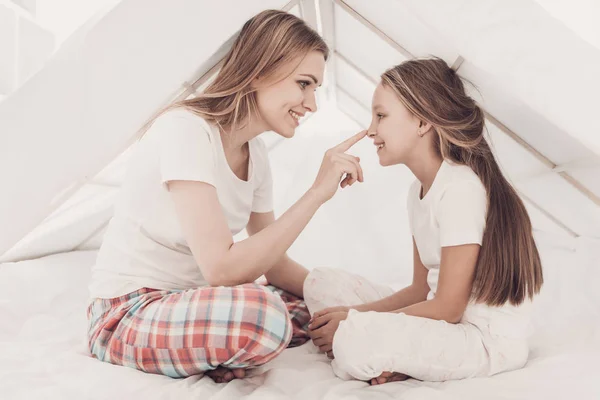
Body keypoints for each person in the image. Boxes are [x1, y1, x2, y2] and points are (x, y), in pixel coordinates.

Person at [87, 9, 367, 383]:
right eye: (304, 84)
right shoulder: (186, 131)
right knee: (265, 316)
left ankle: (223, 353)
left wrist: (354, 306)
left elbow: (276, 266)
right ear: (261, 71)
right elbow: (221, 269)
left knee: (313, 310)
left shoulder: (258, 156)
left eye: (315, 89)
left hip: (194, 302)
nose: (312, 104)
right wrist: (316, 194)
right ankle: (230, 349)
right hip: (129, 313)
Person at [305, 57, 544, 385]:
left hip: (480, 341)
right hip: (441, 321)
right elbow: (421, 289)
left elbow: (448, 308)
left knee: (353, 342)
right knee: (319, 283)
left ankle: (397, 357)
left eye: (381, 116)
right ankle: (400, 357)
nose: (370, 130)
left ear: (421, 122)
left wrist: (355, 320)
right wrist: (355, 317)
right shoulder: (417, 191)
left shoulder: (460, 189)